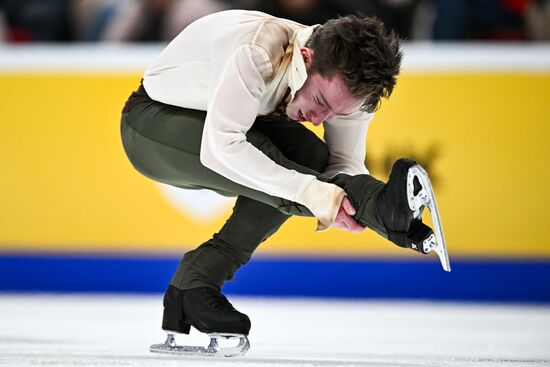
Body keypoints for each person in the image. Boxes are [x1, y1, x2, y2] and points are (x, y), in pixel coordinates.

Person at [120, 9, 439, 354]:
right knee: (288, 170)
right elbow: (222, 147)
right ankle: (383, 211)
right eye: (320, 102)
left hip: (232, 123)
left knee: (309, 157)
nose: (319, 120)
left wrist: (386, 219)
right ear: (305, 58)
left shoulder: (354, 94)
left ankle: (195, 285)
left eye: (337, 113)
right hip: (151, 123)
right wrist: (311, 192)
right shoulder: (260, 51)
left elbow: (338, 169)